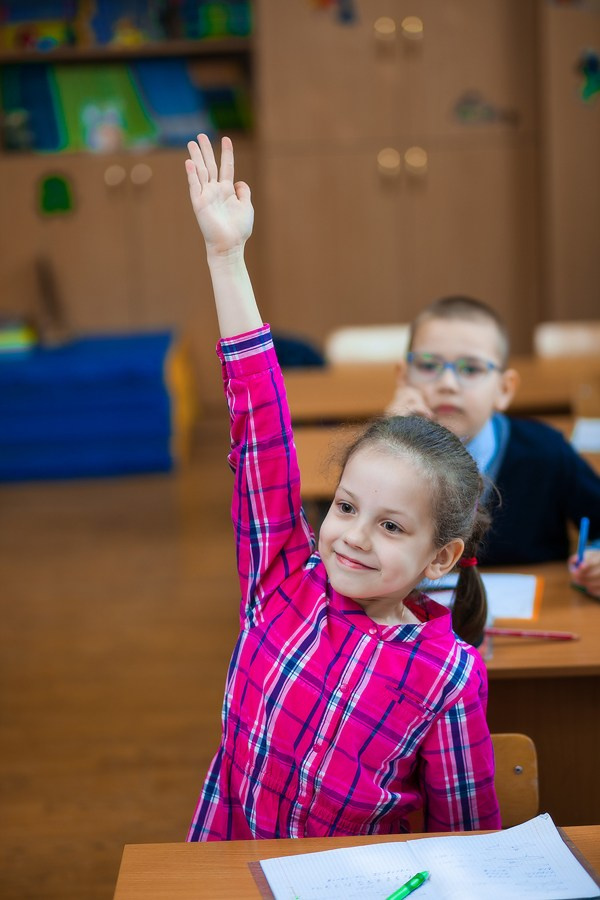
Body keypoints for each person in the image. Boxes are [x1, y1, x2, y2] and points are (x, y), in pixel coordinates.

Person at [183, 134, 500, 842]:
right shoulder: (281, 579)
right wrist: (226, 258)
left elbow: (469, 838)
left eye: (392, 527)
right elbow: (260, 430)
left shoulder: (447, 674)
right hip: (224, 870)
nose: (353, 535)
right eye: (349, 507)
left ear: (441, 557)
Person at [387, 296, 600, 595]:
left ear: (504, 389)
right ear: (403, 377)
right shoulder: (382, 453)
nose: (447, 382)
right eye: (428, 365)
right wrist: (387, 443)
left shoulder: (546, 452)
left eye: (471, 369)